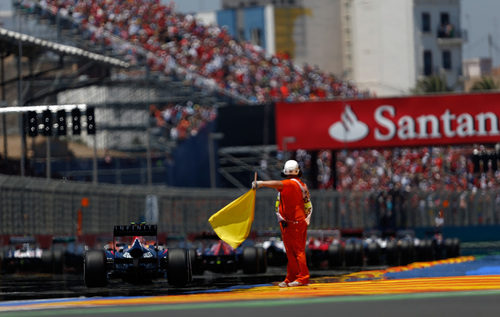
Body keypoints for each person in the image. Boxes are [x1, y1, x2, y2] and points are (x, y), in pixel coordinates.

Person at [252, 159, 312, 287]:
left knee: (298, 251)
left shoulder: (291, 184)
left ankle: (303, 278)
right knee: (290, 251)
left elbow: (277, 184)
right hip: (288, 223)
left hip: (295, 223)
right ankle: (291, 277)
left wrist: (261, 183)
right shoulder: (300, 184)